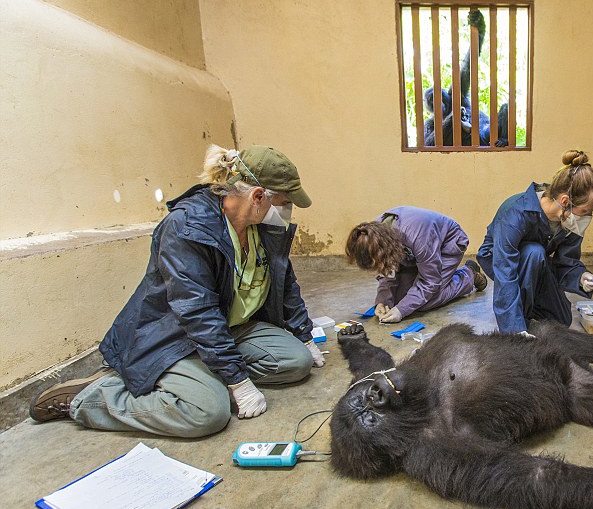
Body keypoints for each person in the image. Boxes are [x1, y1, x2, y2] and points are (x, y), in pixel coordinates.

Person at [29, 145, 326, 437]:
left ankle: (203, 375)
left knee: (295, 362)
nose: (286, 211)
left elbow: (284, 280)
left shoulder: (259, 225)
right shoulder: (187, 226)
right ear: (258, 196)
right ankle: (91, 397)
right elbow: (198, 311)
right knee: (208, 413)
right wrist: (238, 382)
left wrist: (304, 334)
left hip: (231, 326)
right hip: (176, 337)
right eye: (284, 202)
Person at [477, 150, 593, 335]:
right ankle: (518, 322)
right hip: (499, 259)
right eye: (586, 211)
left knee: (561, 321)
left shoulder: (569, 221)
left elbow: (566, 261)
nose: (587, 218)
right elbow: (505, 272)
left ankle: (528, 308)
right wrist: (514, 330)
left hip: (535, 262)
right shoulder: (515, 213)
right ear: (565, 201)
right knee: (534, 252)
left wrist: (580, 277)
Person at [345, 207, 486, 324]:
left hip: (448, 244)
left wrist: (401, 310)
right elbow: (387, 272)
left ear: (384, 253)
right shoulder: (372, 237)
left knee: (426, 301)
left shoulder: (418, 238)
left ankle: (469, 276)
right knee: (401, 299)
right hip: (414, 254)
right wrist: (382, 301)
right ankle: (451, 277)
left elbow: (430, 282)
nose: (374, 273)